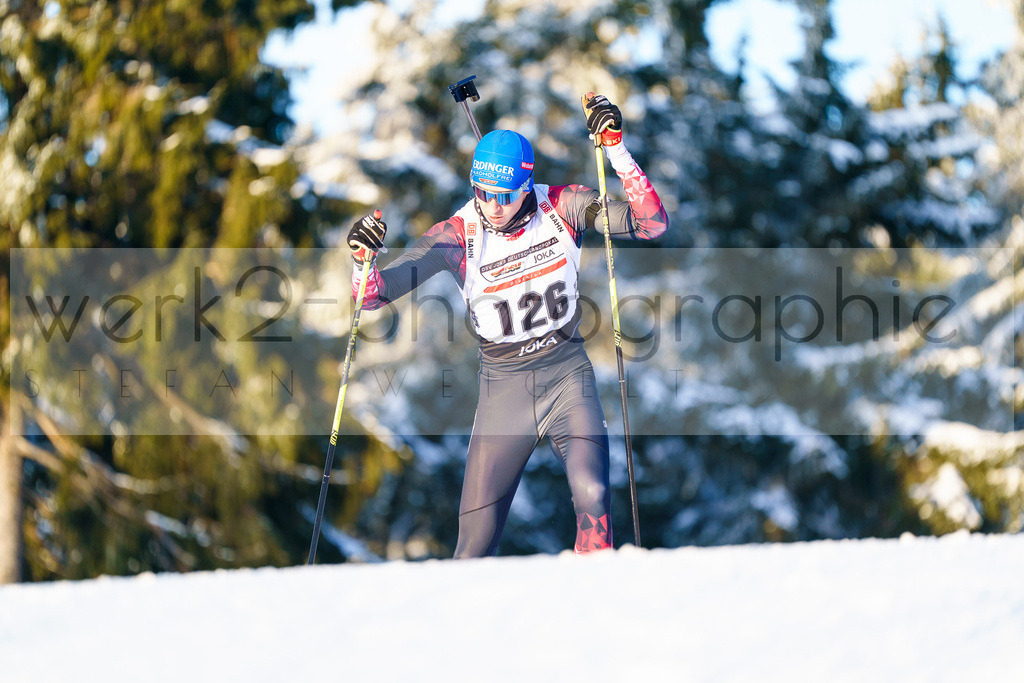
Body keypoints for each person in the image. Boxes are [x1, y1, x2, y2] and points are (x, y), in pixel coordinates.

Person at [346, 94, 669, 557]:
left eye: (504, 195)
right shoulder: (457, 236)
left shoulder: (563, 207)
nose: (492, 206)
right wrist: (363, 262)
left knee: (594, 500)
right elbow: (373, 296)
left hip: (566, 376)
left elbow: (652, 224)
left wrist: (615, 148)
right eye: (482, 193)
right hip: (504, 389)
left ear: (527, 186)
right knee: (473, 546)